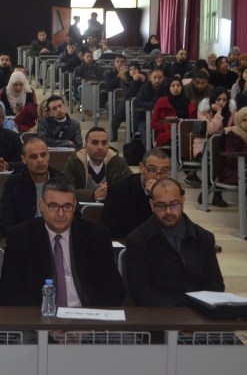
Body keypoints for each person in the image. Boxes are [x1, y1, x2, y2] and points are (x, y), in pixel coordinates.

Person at [0, 178, 125, 307]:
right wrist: (42, 316)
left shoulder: (97, 236)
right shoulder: (20, 237)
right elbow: (9, 292)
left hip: (87, 314)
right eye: (53, 206)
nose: (60, 213)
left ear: (74, 206)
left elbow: (114, 289)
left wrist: (90, 315)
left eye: (67, 206)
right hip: (40, 314)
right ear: (42, 205)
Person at [125, 178, 224, 306]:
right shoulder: (137, 240)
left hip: (200, 312)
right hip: (160, 313)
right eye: (161, 205)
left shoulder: (204, 238)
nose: (169, 211)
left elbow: (216, 286)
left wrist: (198, 309)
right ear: (152, 205)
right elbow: (141, 292)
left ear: (182, 201)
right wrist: (179, 310)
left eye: (174, 204)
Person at [0, 136, 65, 236]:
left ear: (49, 155)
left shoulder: (62, 182)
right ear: (24, 159)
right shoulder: (14, 183)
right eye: (33, 157)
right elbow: (6, 222)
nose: (40, 160)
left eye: (43, 155)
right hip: (24, 238)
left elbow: (73, 216)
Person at [101, 148, 171, 241]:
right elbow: (111, 230)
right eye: (152, 170)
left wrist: (158, 197)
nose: (158, 177)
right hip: (127, 243)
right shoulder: (119, 190)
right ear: (141, 168)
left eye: (163, 171)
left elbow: (173, 226)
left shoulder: (172, 192)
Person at [62, 127, 132, 203]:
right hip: (81, 208)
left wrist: (109, 193)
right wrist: (92, 195)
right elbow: (65, 191)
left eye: (104, 143)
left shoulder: (118, 162)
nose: (100, 147)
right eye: (95, 143)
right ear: (85, 146)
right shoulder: (74, 161)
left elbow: (130, 188)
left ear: (108, 145)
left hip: (113, 208)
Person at [151, 76, 197, 148]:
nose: (176, 88)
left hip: (185, 134)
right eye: (173, 86)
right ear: (169, 88)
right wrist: (168, 127)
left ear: (182, 87)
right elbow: (153, 123)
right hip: (167, 135)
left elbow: (193, 122)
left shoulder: (190, 104)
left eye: (178, 85)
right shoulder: (161, 102)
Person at [222, 107, 247, 185]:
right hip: (235, 172)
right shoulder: (232, 135)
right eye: (244, 120)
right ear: (239, 120)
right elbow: (231, 158)